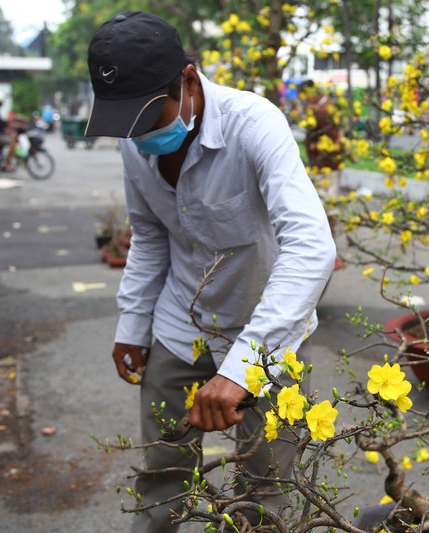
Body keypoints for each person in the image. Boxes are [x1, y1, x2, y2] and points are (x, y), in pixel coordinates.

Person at [84, 11, 336, 532]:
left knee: (264, 493)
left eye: (150, 118)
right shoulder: (134, 141)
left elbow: (311, 246)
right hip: (179, 329)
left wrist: (242, 368)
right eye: (128, 124)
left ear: (190, 81)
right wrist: (132, 324)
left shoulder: (255, 124)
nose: (138, 135)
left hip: (268, 332)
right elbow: (151, 234)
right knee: (162, 476)